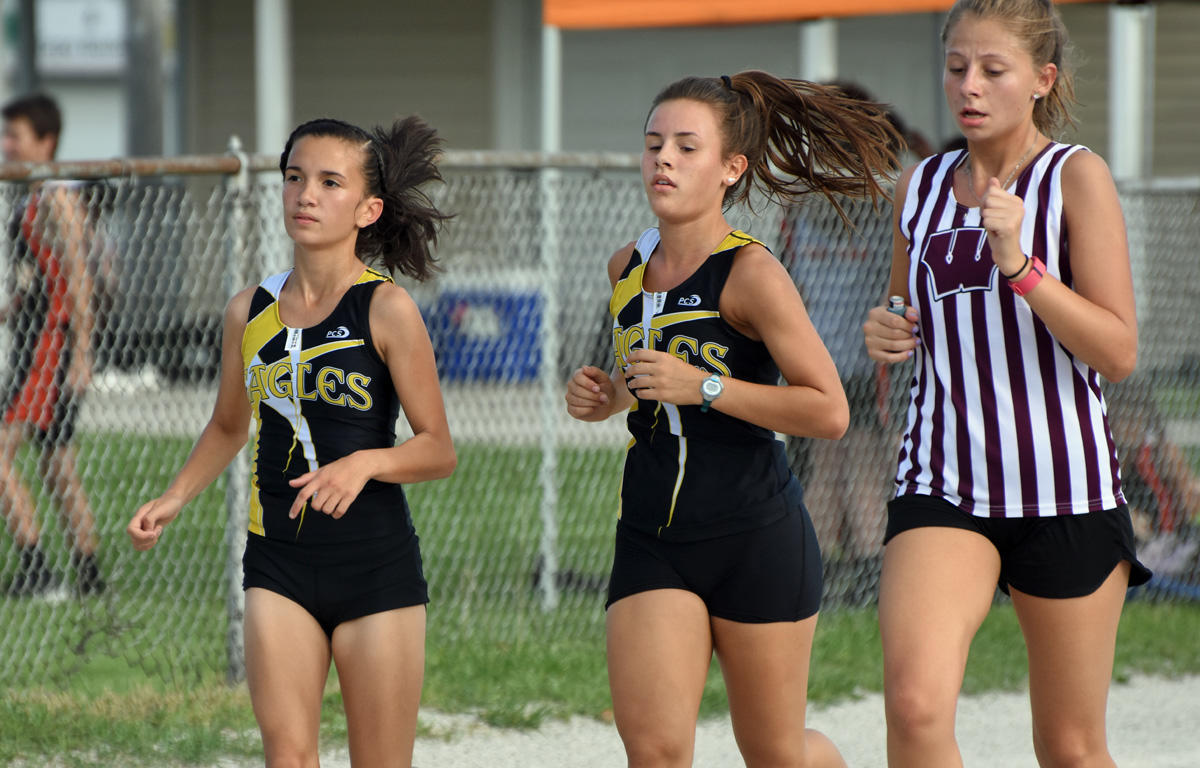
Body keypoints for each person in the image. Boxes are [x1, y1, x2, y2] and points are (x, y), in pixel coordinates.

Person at [565, 71, 900, 767]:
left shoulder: (751, 273)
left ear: (730, 169)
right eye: (654, 144)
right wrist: (611, 397)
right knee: (655, 751)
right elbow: (651, 385)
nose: (663, 159)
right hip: (653, 535)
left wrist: (706, 387)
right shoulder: (626, 267)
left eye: (686, 147)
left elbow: (828, 410)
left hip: (755, 536)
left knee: (776, 754)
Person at [861, 1, 1152, 766]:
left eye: (994, 70)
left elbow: (1118, 351)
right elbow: (901, 309)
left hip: (1064, 490)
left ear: (1041, 80)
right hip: (944, 482)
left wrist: (1021, 267)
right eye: (957, 67)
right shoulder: (920, 186)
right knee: (915, 707)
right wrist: (886, 329)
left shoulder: (1075, 177)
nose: (970, 86)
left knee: (1070, 747)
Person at [127, 116, 456, 767]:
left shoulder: (386, 309)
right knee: (287, 756)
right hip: (277, 561)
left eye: (330, 183)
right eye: (294, 178)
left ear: (367, 209)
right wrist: (175, 496)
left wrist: (364, 464)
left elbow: (438, 448)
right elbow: (229, 425)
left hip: (373, 566)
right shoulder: (247, 311)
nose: (306, 195)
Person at [781, 81, 935, 606]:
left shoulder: (810, 203)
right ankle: (867, 572)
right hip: (864, 362)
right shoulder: (873, 201)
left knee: (834, 464)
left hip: (829, 358)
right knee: (859, 463)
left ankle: (818, 572)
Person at [0, 92, 105, 597]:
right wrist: (15, 306)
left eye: (15, 136)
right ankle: (89, 572)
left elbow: (79, 277)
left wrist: (82, 350)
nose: (7, 145)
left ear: (46, 142)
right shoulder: (33, 195)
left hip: (49, 345)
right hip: (40, 334)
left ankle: (37, 569)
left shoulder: (55, 199)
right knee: (55, 462)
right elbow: (46, 275)